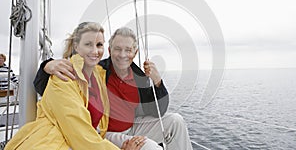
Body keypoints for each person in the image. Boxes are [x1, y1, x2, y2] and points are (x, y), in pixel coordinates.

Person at [33, 27, 193, 150]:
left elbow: (157, 110)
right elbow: (48, 88)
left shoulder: (140, 77)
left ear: (135, 52)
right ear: (109, 50)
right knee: (149, 147)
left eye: (128, 50)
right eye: (117, 49)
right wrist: (47, 65)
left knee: (176, 120)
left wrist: (157, 82)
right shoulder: (98, 71)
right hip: (106, 132)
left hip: (133, 126)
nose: (122, 55)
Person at [5, 22, 144, 150]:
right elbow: (79, 133)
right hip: (53, 143)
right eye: (88, 44)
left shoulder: (99, 74)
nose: (95, 51)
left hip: (84, 141)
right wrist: (46, 66)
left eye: (99, 45)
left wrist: (155, 80)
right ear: (76, 46)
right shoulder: (64, 76)